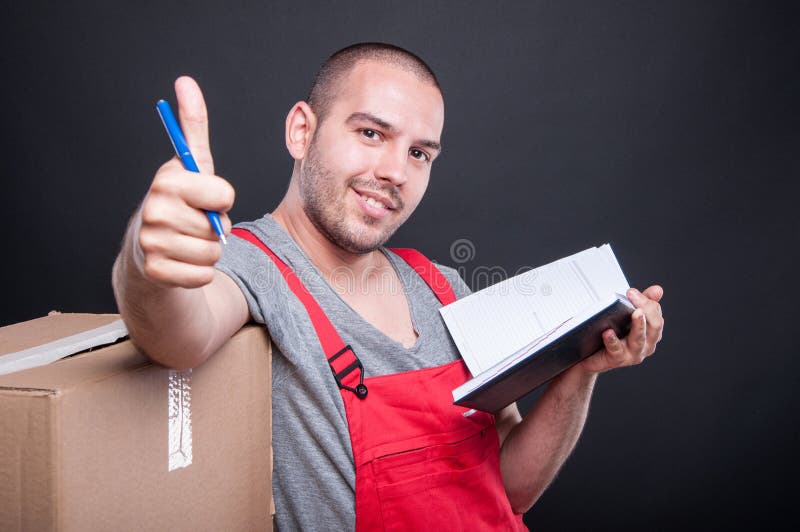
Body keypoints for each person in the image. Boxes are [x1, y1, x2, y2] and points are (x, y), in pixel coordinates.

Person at [112, 43, 664, 531]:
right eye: (371, 133)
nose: (396, 172)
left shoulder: (444, 288)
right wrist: (147, 255)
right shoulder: (251, 264)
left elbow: (510, 491)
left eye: (420, 153)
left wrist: (579, 370)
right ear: (301, 131)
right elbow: (173, 335)